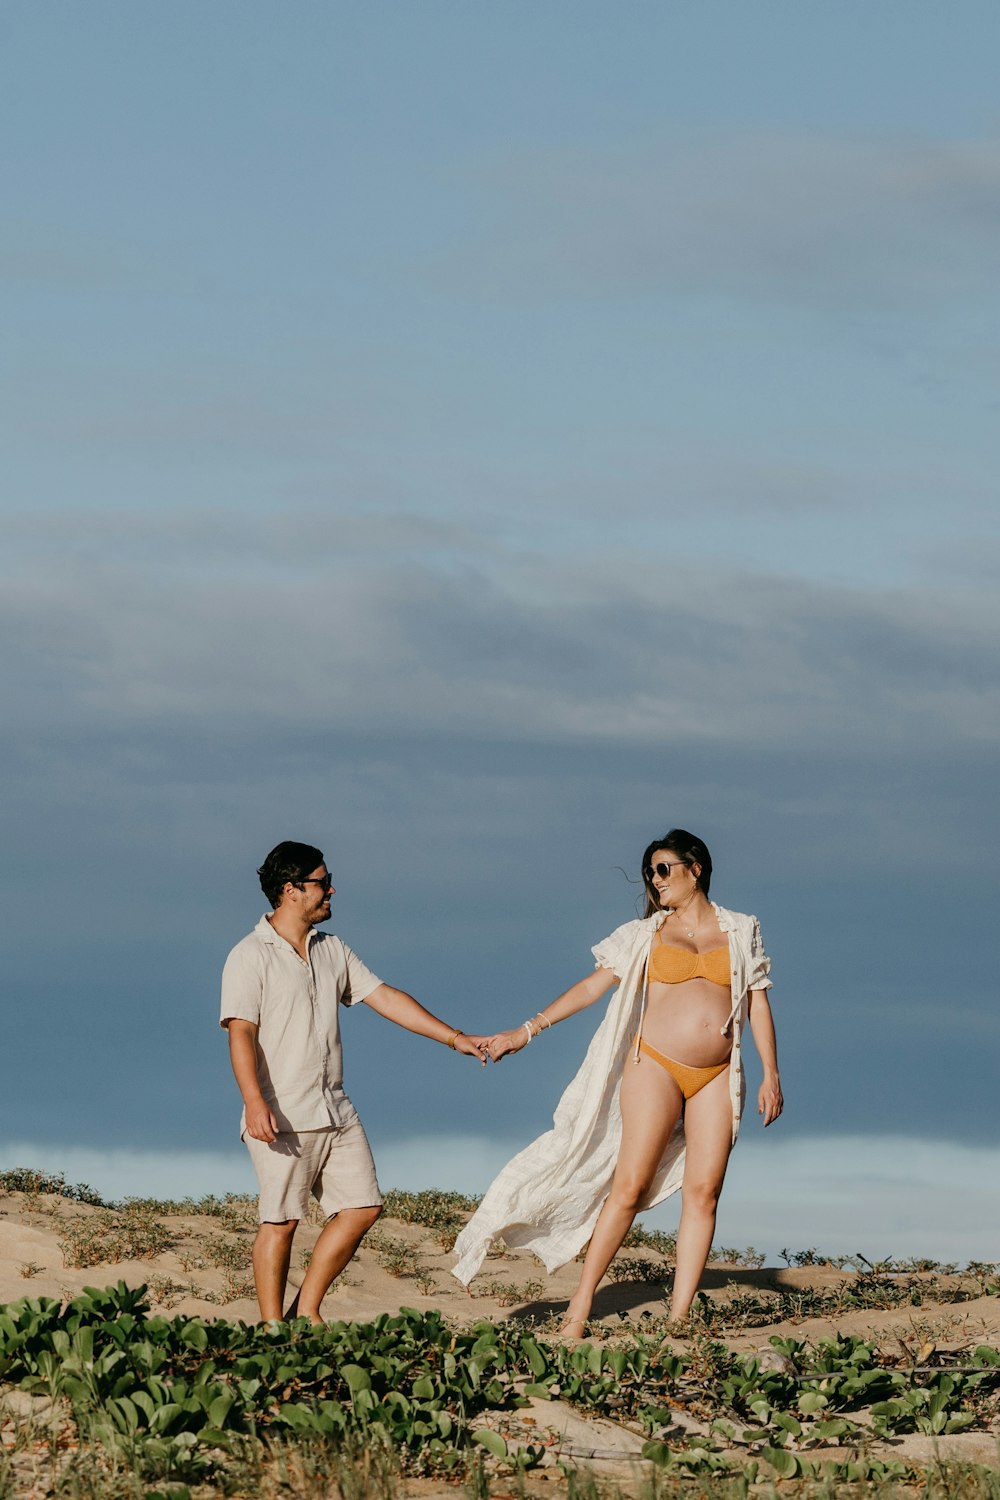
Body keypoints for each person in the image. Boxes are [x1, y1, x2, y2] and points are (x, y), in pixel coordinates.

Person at [451, 829, 782, 1333]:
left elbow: (757, 1000)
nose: (656, 879)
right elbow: (592, 986)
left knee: (705, 1191)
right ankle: (581, 1305)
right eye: (651, 871)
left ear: (696, 869)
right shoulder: (644, 934)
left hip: (716, 1074)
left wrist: (770, 1073)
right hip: (655, 1064)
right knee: (628, 1186)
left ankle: (679, 1317)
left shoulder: (740, 929)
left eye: (664, 868)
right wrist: (525, 1031)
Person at [222, 840, 491, 1324]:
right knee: (280, 1222)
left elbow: (385, 997)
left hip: (335, 1107)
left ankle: (307, 1309)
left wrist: (454, 1038)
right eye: (322, 882)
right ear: (290, 890)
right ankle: (270, 1328)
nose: (331, 890)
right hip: (281, 1112)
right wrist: (253, 1100)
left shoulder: (332, 950)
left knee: (363, 1208)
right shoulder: (249, 955)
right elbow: (240, 1033)